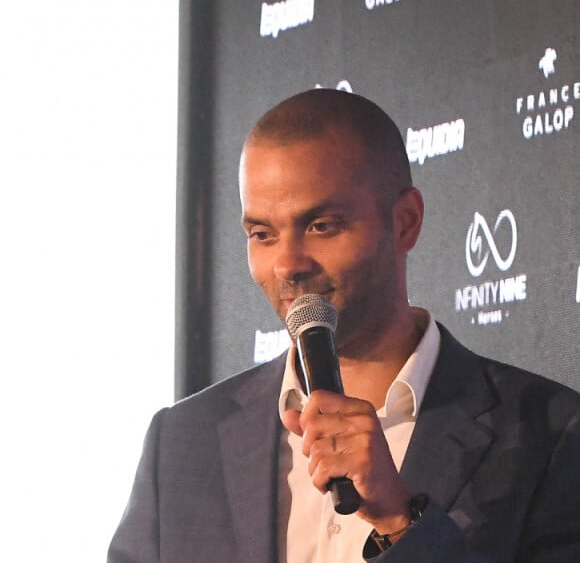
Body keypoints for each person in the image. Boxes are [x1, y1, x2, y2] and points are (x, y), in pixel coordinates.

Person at [108, 89, 580, 562]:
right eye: (262, 235)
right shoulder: (183, 442)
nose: (287, 264)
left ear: (405, 222)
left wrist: (399, 521)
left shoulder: (553, 435)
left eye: (322, 226)